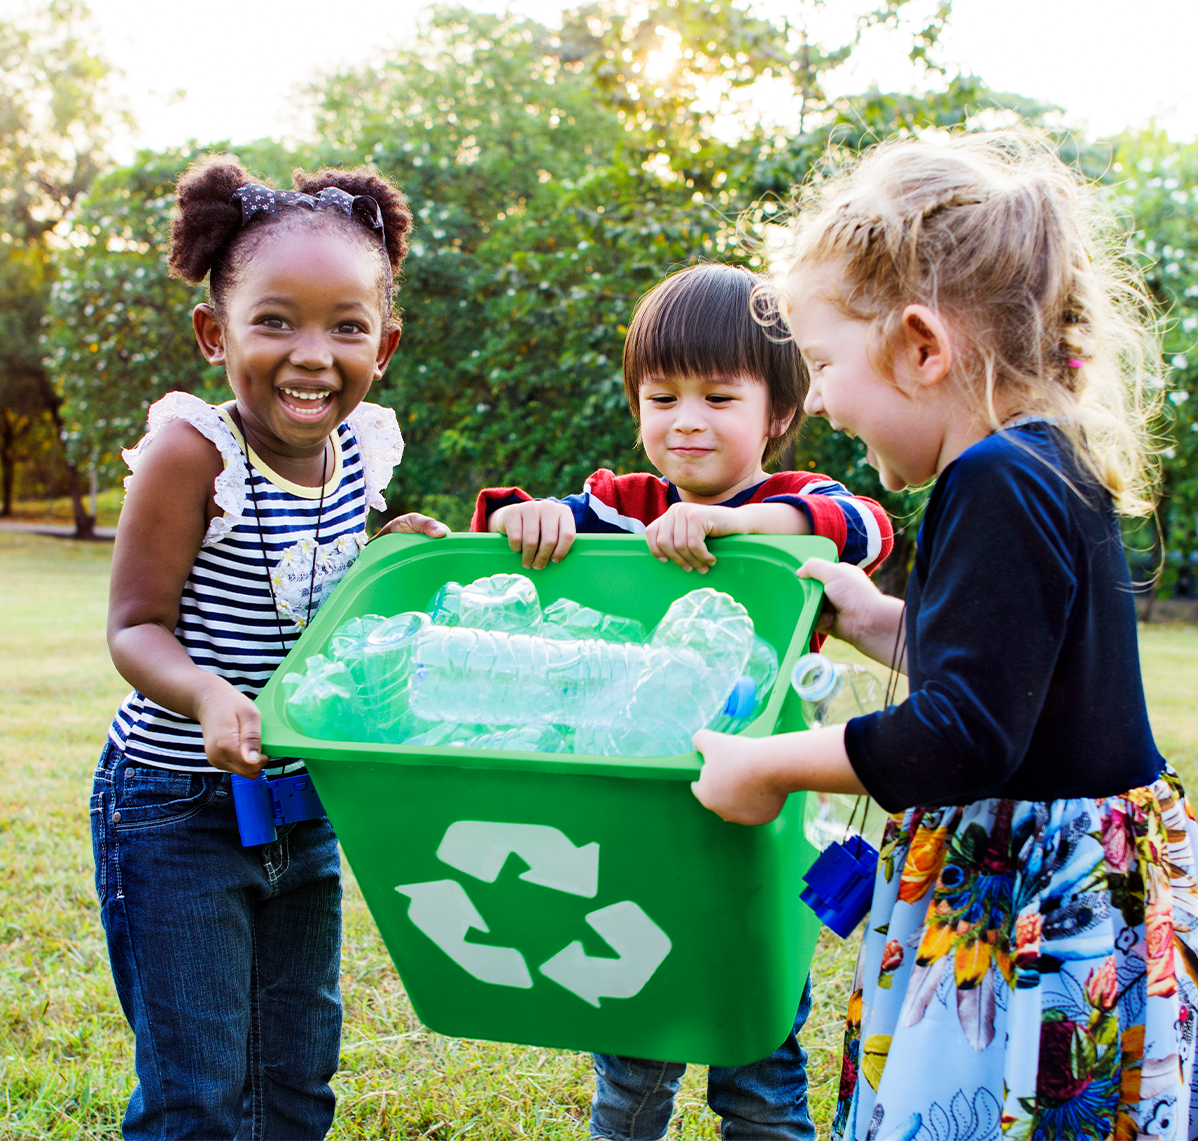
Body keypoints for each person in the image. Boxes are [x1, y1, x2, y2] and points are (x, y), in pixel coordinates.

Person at [691, 133, 1198, 1140]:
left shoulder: (989, 480)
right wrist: (874, 614)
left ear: (923, 348)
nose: (823, 400)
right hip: (1097, 881)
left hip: (1033, 908)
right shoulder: (1047, 459)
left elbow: (964, 734)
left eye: (827, 364)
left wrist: (768, 767)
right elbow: (1014, 677)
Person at [470, 263, 894, 1141]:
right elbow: (522, 535)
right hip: (632, 826)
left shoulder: (792, 504)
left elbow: (859, 526)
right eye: (661, 397)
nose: (685, 421)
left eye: (717, 397)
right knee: (632, 1054)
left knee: (761, 1066)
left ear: (777, 414)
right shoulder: (625, 506)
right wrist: (530, 519)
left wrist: (729, 523)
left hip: (756, 833)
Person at [96, 154, 428, 1140]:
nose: (311, 354)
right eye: (274, 320)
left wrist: (389, 560)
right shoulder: (190, 453)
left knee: (297, 1070)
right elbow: (134, 625)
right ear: (215, 333)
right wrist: (202, 695)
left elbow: (321, 597)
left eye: (346, 325)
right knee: (198, 1085)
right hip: (175, 808)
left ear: (387, 342)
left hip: (304, 802)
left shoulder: (368, 445)